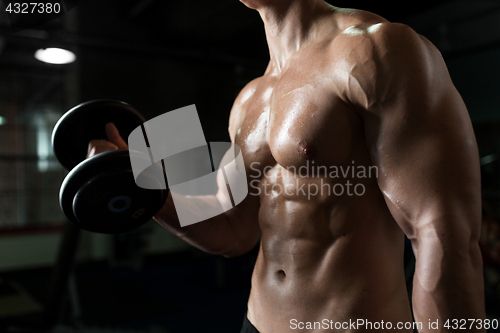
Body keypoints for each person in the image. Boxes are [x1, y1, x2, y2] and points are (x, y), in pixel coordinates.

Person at [88, 0, 486, 332]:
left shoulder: (377, 50)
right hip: (255, 323)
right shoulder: (249, 98)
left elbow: (442, 235)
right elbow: (233, 230)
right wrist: (139, 185)